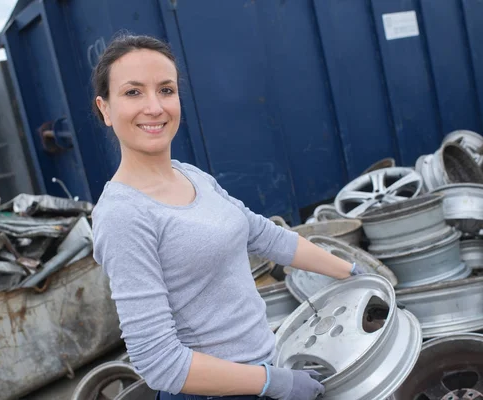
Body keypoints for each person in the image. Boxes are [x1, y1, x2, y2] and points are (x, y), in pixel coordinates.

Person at [91, 34, 364, 400]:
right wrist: (271, 382)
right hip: (215, 392)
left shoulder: (191, 175)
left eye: (166, 90)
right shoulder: (123, 215)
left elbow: (266, 236)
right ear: (105, 109)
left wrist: (351, 273)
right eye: (133, 92)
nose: (154, 107)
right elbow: (158, 362)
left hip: (263, 367)